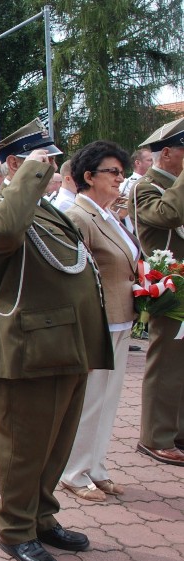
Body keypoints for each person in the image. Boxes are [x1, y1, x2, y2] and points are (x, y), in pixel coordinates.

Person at [0, 119, 113, 561]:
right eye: (43, 161)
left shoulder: (48, 210)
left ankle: (41, 517)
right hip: (29, 347)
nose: (52, 168)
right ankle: (16, 530)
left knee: (55, 444)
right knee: (24, 446)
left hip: (65, 343)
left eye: (51, 162)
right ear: (17, 164)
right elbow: (3, 236)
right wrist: (27, 175)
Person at [59, 140, 139, 501]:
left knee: (108, 400)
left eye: (122, 172)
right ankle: (73, 472)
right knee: (90, 399)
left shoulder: (109, 214)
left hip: (122, 320)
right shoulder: (80, 216)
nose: (120, 179)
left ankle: (96, 466)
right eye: (113, 173)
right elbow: (78, 274)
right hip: (98, 322)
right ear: (88, 176)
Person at [129, 117, 184, 467]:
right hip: (168, 282)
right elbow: (168, 215)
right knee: (166, 363)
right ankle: (156, 437)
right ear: (167, 153)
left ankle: (178, 433)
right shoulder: (145, 187)